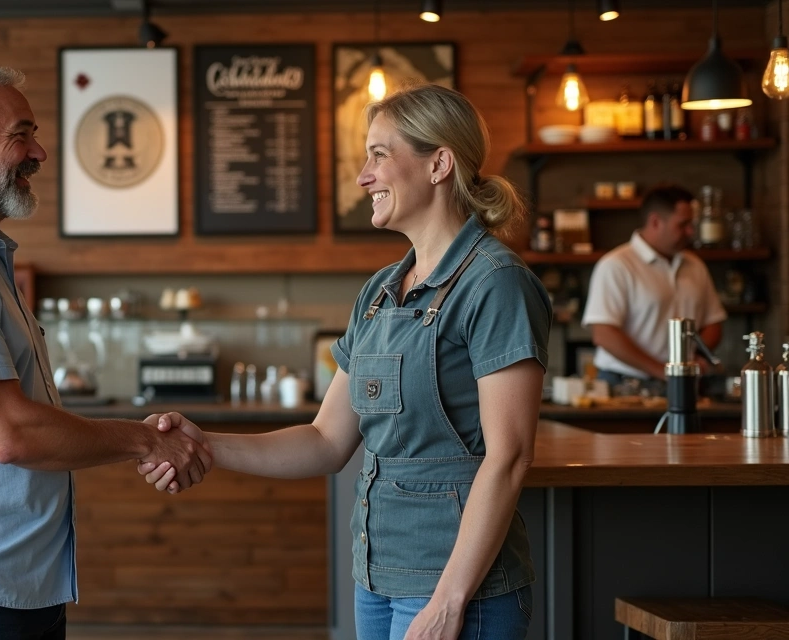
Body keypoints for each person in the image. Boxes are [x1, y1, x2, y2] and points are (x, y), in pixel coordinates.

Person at [143, 85, 550, 640]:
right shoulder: (380, 292)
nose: (363, 176)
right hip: (376, 578)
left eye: (380, 154)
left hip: (457, 589)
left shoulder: (495, 284)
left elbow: (510, 457)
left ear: (439, 164)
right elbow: (325, 442)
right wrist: (203, 444)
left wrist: (449, 602)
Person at [0, 63, 210, 640]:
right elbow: (11, 434)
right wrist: (147, 439)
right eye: (20, 134)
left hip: (3, 584)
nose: (40, 152)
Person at [581, 185, 726, 386]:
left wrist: (695, 357)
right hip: (624, 384)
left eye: (692, 224)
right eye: (683, 225)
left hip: (684, 381)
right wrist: (662, 370)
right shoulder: (616, 265)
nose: (691, 232)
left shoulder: (695, 265)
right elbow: (604, 334)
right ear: (656, 222)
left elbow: (713, 322)